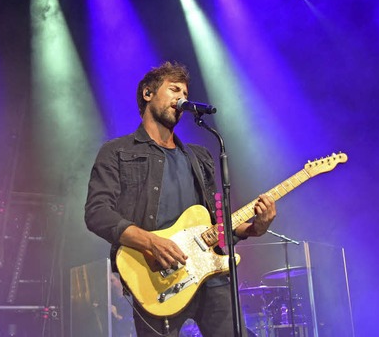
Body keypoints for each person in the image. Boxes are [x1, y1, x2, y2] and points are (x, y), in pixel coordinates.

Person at [85, 61, 277, 337]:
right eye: (174, 89)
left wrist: (254, 228)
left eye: (185, 93)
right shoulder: (117, 151)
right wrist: (151, 242)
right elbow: (97, 213)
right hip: (156, 278)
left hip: (210, 275)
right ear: (147, 94)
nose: (182, 98)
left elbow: (216, 225)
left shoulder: (199, 157)